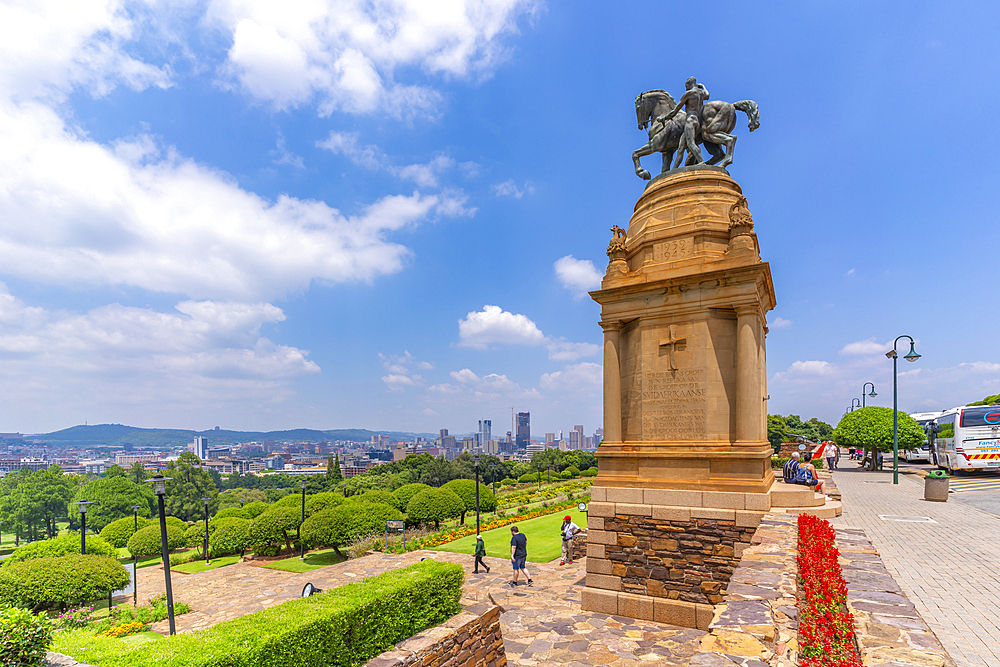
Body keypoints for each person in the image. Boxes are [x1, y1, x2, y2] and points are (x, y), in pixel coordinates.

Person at [660, 76, 710, 168]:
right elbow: (707, 95)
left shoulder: (689, 94)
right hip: (697, 122)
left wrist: (664, 118)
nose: (685, 87)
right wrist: (703, 86)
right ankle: (674, 169)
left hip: (690, 121)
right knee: (681, 148)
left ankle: (701, 162)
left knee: (690, 144)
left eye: (686, 85)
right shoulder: (700, 93)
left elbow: (675, 110)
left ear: (690, 83)